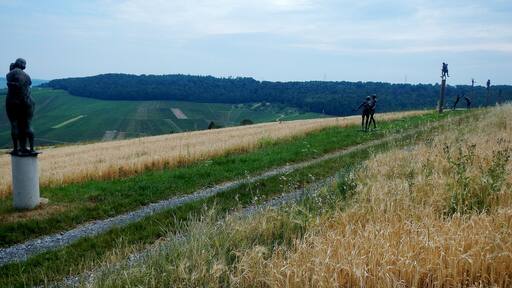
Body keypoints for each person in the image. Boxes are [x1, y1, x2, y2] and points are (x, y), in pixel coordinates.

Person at [6, 58, 35, 155]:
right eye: (24, 64)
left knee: (14, 124)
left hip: (13, 101)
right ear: (21, 64)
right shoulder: (27, 75)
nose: (25, 66)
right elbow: (29, 83)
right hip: (27, 102)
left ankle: (16, 149)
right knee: (28, 124)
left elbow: (10, 81)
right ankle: (31, 148)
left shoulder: (10, 73)